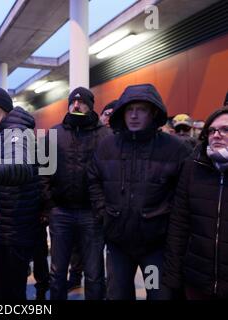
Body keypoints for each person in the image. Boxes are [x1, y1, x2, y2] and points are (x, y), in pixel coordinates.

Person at [88, 84, 191, 300]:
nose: (134, 115)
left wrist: (168, 220)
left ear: (153, 112)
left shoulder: (174, 149)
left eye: (141, 109)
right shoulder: (107, 146)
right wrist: (103, 212)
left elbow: (185, 193)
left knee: (156, 294)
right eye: (129, 109)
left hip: (155, 247)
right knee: (118, 295)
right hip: (118, 246)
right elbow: (93, 179)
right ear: (121, 112)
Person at [42, 87, 109, 300]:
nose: (77, 106)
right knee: (57, 272)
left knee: (94, 274)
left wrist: (102, 209)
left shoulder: (105, 135)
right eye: (73, 102)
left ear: (91, 106)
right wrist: (50, 205)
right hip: (61, 212)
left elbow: (110, 174)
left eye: (82, 103)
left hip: (92, 214)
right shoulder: (54, 134)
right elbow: (43, 172)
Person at [0, 86, 40, 300]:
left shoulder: (17, 133)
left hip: (12, 232)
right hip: (0, 231)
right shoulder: (1, 135)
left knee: (10, 294)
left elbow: (20, 167)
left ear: (4, 107)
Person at [163, 107, 228, 300]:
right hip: (197, 279)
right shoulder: (193, 167)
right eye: (212, 130)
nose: (217, 135)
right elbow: (179, 224)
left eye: (225, 129)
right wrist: (173, 276)